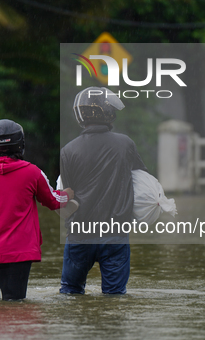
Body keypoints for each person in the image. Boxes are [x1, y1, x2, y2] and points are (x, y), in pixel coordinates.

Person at [0, 119, 73, 301]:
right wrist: (68, 194)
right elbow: (53, 201)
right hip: (17, 256)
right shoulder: (32, 172)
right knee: (15, 309)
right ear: (20, 144)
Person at [59, 87, 147, 295]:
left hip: (80, 235)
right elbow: (141, 177)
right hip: (115, 235)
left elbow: (67, 194)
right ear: (107, 112)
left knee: (70, 292)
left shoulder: (68, 150)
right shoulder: (125, 144)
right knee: (115, 296)